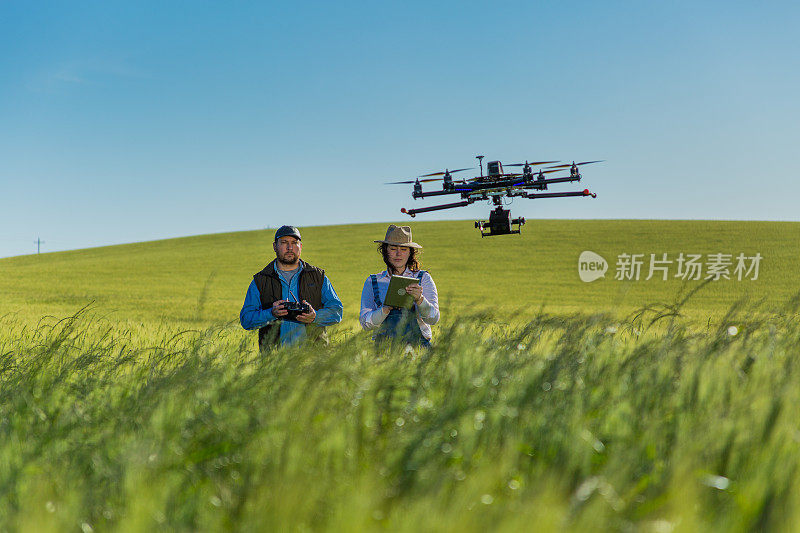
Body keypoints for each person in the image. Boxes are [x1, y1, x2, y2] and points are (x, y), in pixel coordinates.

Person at [240, 225, 343, 350]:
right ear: (274, 246)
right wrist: (271, 313)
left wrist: (315, 317)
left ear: (300, 246)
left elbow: (337, 311)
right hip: (274, 361)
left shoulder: (318, 277)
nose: (290, 247)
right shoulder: (261, 280)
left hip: (315, 360)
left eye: (294, 243)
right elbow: (246, 319)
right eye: (284, 243)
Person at [359, 225, 439, 347]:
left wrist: (420, 299)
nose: (398, 254)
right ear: (385, 250)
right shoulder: (372, 281)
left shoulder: (423, 278)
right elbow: (365, 324)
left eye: (403, 249)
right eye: (393, 248)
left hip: (418, 348)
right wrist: (385, 309)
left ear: (410, 253)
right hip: (384, 349)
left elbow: (434, 319)